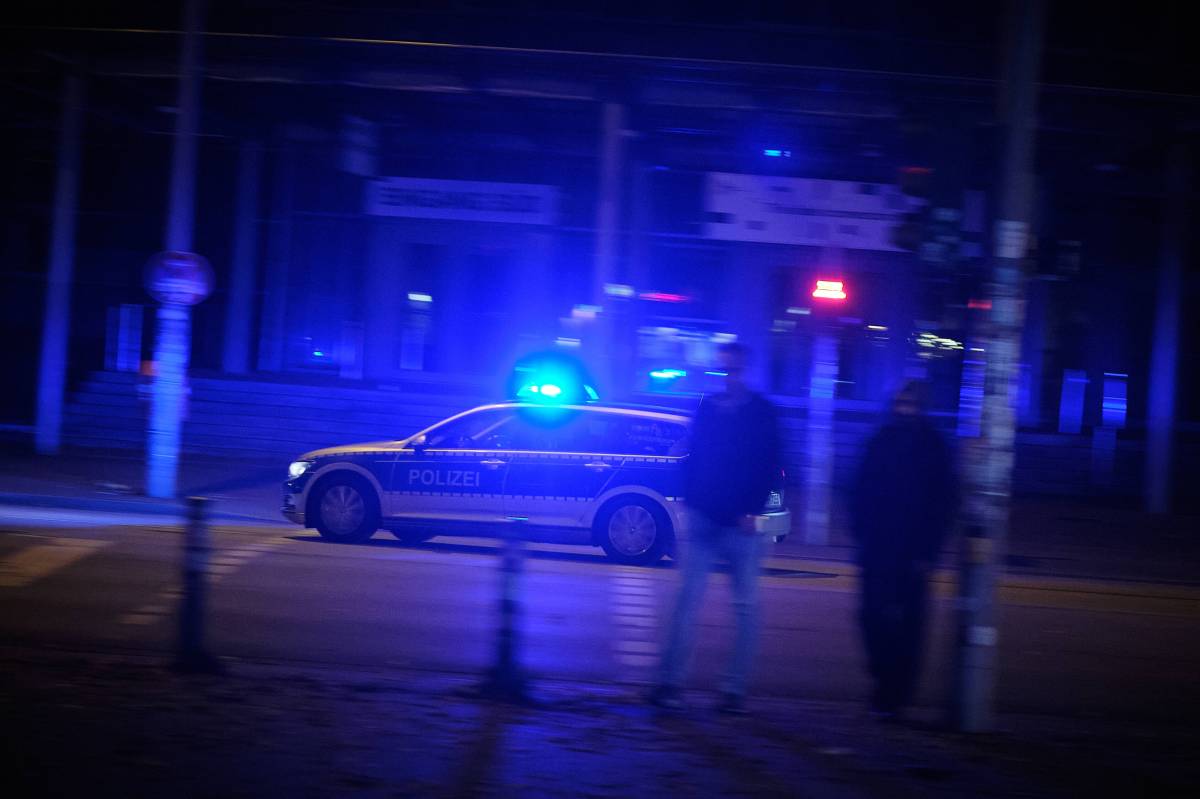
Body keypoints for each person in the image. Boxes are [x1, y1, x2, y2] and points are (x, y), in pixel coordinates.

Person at [650, 342, 783, 714]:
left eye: (734, 370)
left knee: (741, 606)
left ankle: (731, 689)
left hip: (739, 521)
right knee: (691, 602)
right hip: (708, 515)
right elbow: (696, 454)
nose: (729, 377)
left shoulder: (760, 413)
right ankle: (670, 683)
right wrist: (691, 499)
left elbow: (770, 465)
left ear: (745, 370)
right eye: (724, 370)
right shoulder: (712, 408)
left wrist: (751, 510)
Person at [850, 381, 958, 720]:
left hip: (913, 552)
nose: (904, 409)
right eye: (900, 402)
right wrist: (861, 533)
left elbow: (942, 503)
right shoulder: (883, 439)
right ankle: (885, 680)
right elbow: (859, 487)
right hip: (878, 546)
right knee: (870, 615)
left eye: (910, 403)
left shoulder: (932, 445)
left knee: (909, 623)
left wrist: (928, 551)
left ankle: (897, 691)